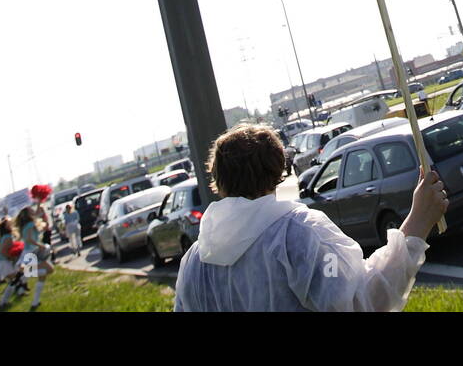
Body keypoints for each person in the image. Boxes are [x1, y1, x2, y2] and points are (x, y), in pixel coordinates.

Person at [174, 122, 448, 312]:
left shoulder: (193, 264)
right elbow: (360, 302)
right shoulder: (297, 234)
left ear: (217, 181)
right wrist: (417, 224)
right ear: (279, 171)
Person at [16, 207, 53, 310]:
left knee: (43, 274)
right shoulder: (30, 224)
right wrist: (40, 245)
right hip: (32, 251)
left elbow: (42, 225)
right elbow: (29, 239)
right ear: (28, 214)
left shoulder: (26, 225)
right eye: (31, 210)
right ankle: (24, 275)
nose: (33, 211)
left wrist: (40, 206)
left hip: (28, 251)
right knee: (49, 269)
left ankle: (35, 302)